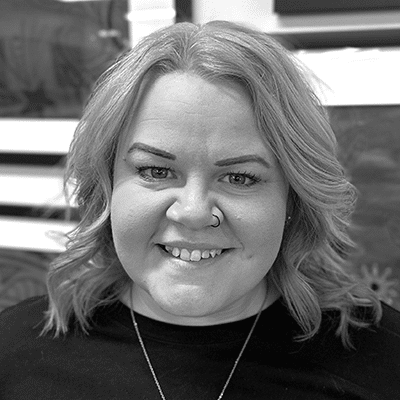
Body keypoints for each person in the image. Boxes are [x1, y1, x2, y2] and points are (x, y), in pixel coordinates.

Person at [1, 20, 399, 400]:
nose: (192, 212)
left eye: (239, 177)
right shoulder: (13, 355)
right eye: (156, 171)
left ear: (293, 197)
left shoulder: (384, 363)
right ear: (106, 187)